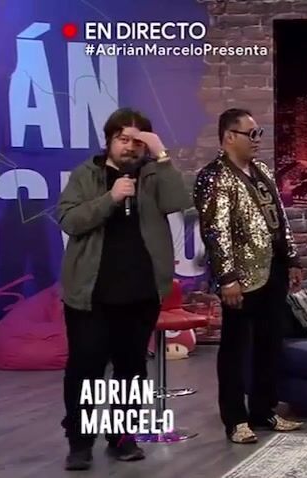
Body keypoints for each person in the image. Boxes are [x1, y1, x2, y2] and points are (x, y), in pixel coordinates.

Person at [58, 108, 190, 470]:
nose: (130, 147)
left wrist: (162, 155)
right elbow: (69, 219)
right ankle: (80, 443)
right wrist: (110, 198)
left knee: (131, 370)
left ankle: (122, 438)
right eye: (123, 139)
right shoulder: (86, 175)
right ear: (109, 141)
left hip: (141, 293)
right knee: (86, 370)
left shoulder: (153, 174)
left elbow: (178, 202)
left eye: (138, 142)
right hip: (91, 294)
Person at [193, 108, 304, 444]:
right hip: (241, 277)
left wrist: (292, 259)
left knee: (270, 344)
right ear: (230, 136)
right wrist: (227, 278)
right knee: (235, 348)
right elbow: (216, 233)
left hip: (273, 270)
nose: (257, 140)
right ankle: (235, 419)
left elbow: (279, 219)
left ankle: (264, 410)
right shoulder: (214, 176)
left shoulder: (262, 171)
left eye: (259, 134)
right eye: (250, 134)